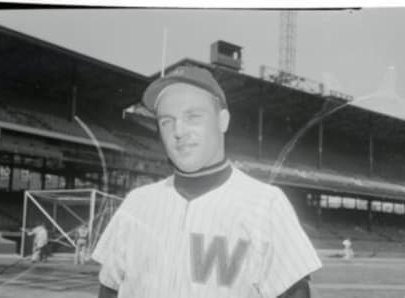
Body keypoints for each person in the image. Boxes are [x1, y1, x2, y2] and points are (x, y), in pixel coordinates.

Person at [92, 65, 322, 298]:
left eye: (193, 116)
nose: (178, 131)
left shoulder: (266, 204)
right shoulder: (136, 203)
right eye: (166, 121)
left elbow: (295, 293)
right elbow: (109, 289)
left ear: (223, 121)